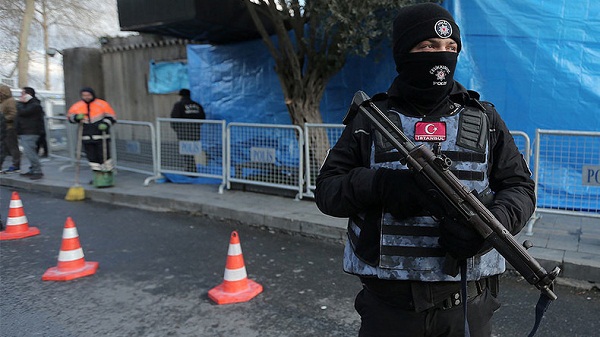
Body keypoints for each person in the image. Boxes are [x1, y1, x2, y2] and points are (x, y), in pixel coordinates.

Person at [314, 3, 535, 337]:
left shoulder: (485, 118)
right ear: (404, 52)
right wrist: (383, 185)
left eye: (450, 48)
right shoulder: (371, 119)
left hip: (467, 307)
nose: (441, 56)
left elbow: (520, 187)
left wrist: (495, 224)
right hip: (390, 308)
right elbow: (328, 191)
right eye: (428, 47)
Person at [67, 87, 117, 187]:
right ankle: (97, 177)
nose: (86, 97)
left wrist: (105, 124)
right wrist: (76, 117)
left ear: (92, 94)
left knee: (105, 157)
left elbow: (112, 117)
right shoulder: (77, 106)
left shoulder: (102, 104)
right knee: (92, 159)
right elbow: (70, 117)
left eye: (88, 95)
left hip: (101, 136)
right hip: (86, 136)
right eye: (84, 95)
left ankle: (108, 177)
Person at [170, 88, 206, 172]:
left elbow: (174, 118)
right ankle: (195, 168)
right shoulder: (197, 105)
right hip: (196, 132)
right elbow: (203, 118)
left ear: (181, 96)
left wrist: (177, 130)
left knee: (186, 152)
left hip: (184, 132)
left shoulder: (179, 105)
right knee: (195, 151)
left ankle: (191, 170)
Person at [15, 87, 45, 180]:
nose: (21, 96)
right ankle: (32, 169)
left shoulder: (35, 105)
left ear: (29, 94)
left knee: (30, 152)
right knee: (30, 152)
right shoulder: (27, 105)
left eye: (23, 94)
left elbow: (24, 112)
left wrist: (19, 103)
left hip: (30, 132)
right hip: (24, 131)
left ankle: (37, 171)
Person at [0, 85, 22, 173]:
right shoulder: (2, 102)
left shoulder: (10, 101)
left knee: (12, 147)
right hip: (2, 128)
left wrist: (3, 119)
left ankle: (16, 165)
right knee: (3, 148)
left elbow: (13, 114)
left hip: (9, 128)